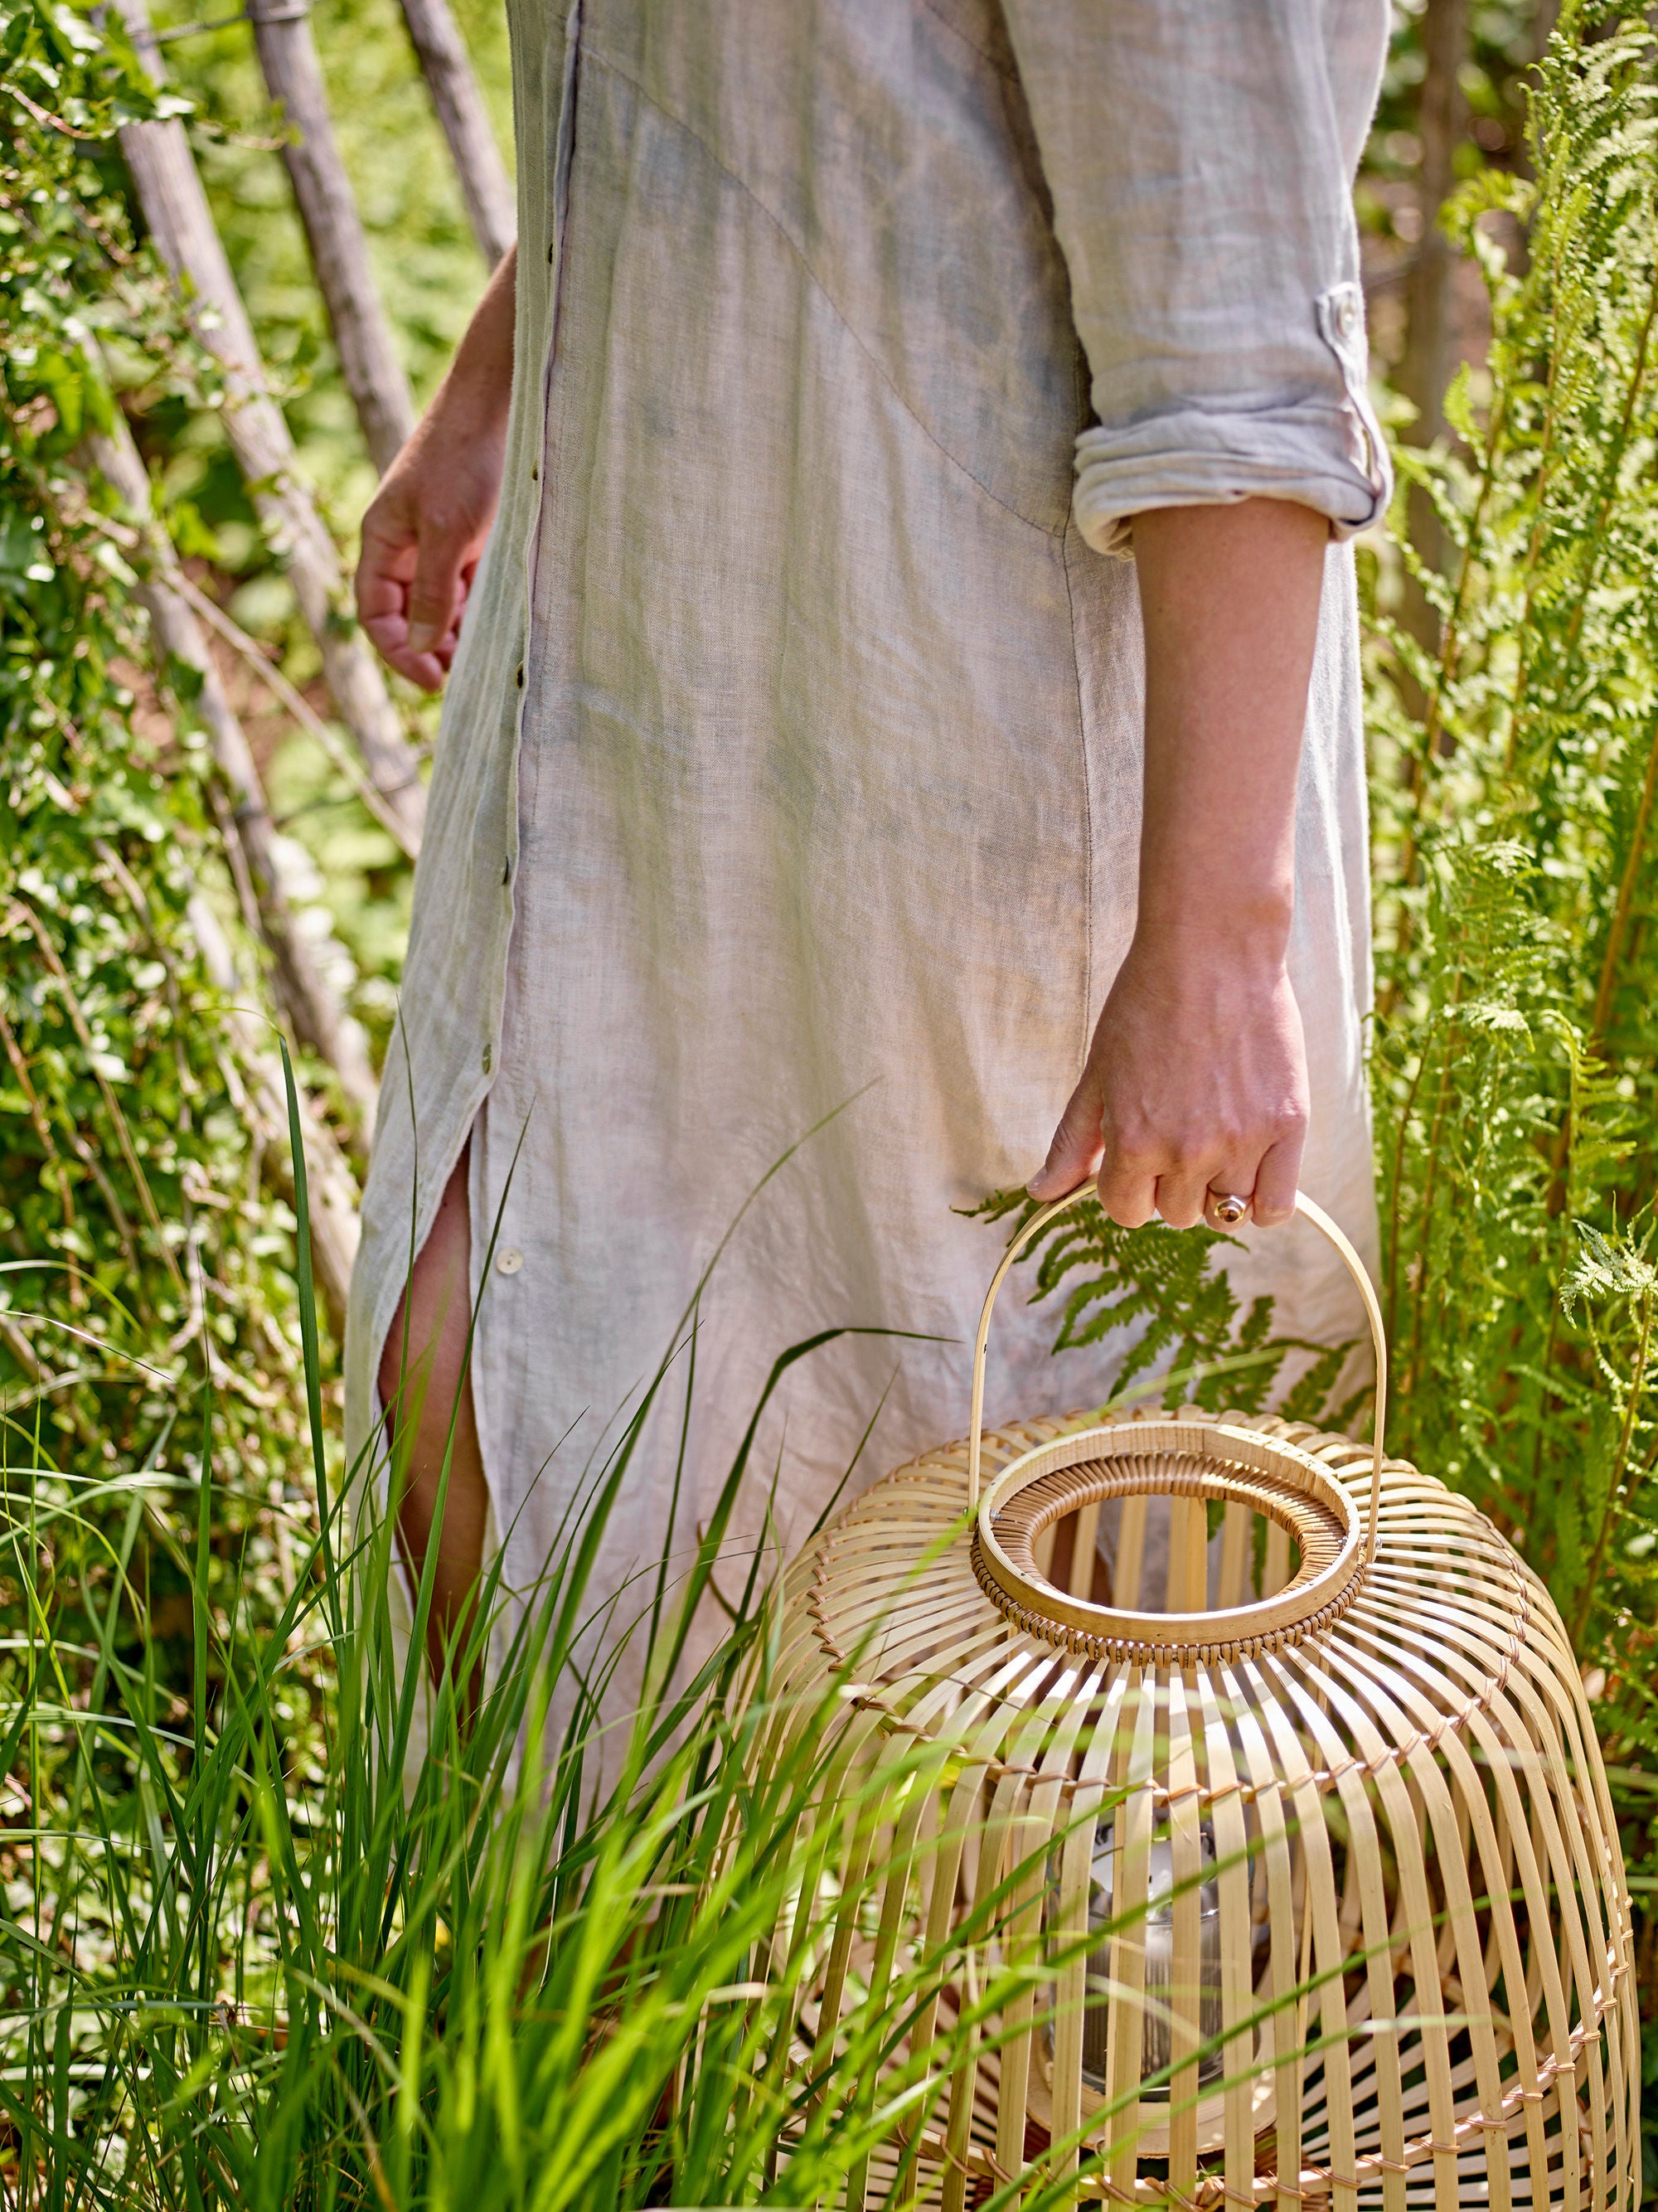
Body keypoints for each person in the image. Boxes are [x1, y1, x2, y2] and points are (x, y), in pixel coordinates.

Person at [348, 1, 1391, 1710]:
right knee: (482, 1380)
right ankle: (632, 1975)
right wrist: (500, 370)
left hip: (963, 729)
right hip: (660, 662)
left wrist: (1214, 935)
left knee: (966, 1572)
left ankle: (884, 1981)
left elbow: (1232, 318)